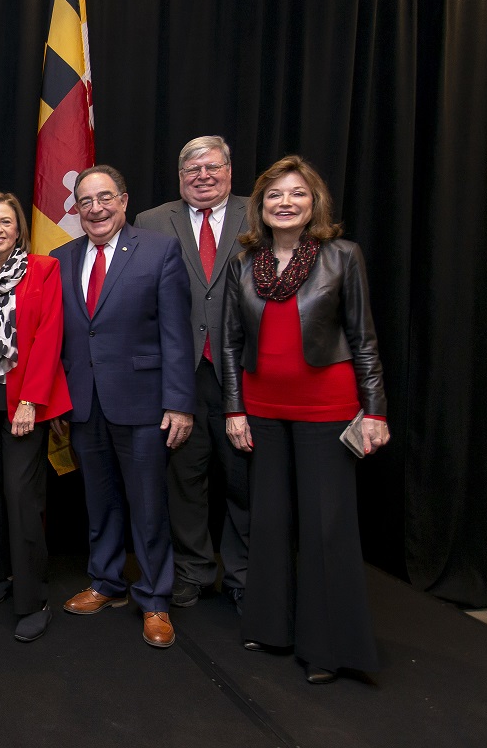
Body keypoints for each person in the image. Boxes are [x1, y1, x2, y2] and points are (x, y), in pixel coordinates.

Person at [222, 155, 389, 684]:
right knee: (268, 524)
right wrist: (234, 408)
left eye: (296, 193)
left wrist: (375, 410)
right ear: (261, 207)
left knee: (325, 528)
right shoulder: (244, 262)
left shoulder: (342, 257)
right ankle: (271, 628)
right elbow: (229, 344)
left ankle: (328, 649)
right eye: (274, 195)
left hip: (328, 409)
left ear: (313, 202)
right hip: (262, 410)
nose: (285, 202)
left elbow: (363, 340)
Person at [52, 165, 194, 649]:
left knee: (149, 506)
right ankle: (106, 583)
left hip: (144, 402)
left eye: (104, 198)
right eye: (85, 201)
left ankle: (154, 599)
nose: (95, 208)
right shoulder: (61, 257)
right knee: (100, 502)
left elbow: (177, 334)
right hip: (85, 403)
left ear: (124, 199)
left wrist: (179, 402)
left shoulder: (159, 251)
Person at [135, 136, 252, 612]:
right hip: (180, 372)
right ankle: (193, 571)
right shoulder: (152, 221)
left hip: (243, 370)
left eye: (212, 167)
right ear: (180, 177)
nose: (202, 177)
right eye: (192, 171)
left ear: (229, 169)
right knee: (185, 478)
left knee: (244, 479)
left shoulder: (260, 212)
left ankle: (245, 575)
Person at [0, 192, 72, 641]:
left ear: (19, 227)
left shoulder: (44, 269)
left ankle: (33, 598)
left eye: (6, 221)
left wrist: (30, 400)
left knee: (21, 497)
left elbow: (49, 336)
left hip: (24, 400)